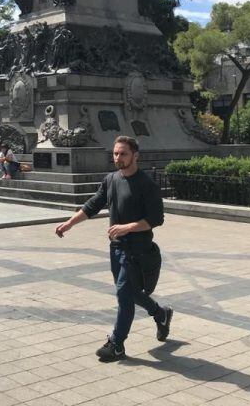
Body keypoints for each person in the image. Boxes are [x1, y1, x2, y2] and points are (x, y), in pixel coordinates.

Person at [54, 136, 172, 362]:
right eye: (116, 153)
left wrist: (128, 227)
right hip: (116, 250)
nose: (118, 158)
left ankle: (116, 344)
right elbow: (92, 205)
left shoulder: (147, 185)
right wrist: (69, 223)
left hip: (138, 250)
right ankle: (161, 313)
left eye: (123, 154)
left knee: (124, 295)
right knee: (130, 293)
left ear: (135, 155)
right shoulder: (110, 180)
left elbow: (156, 219)